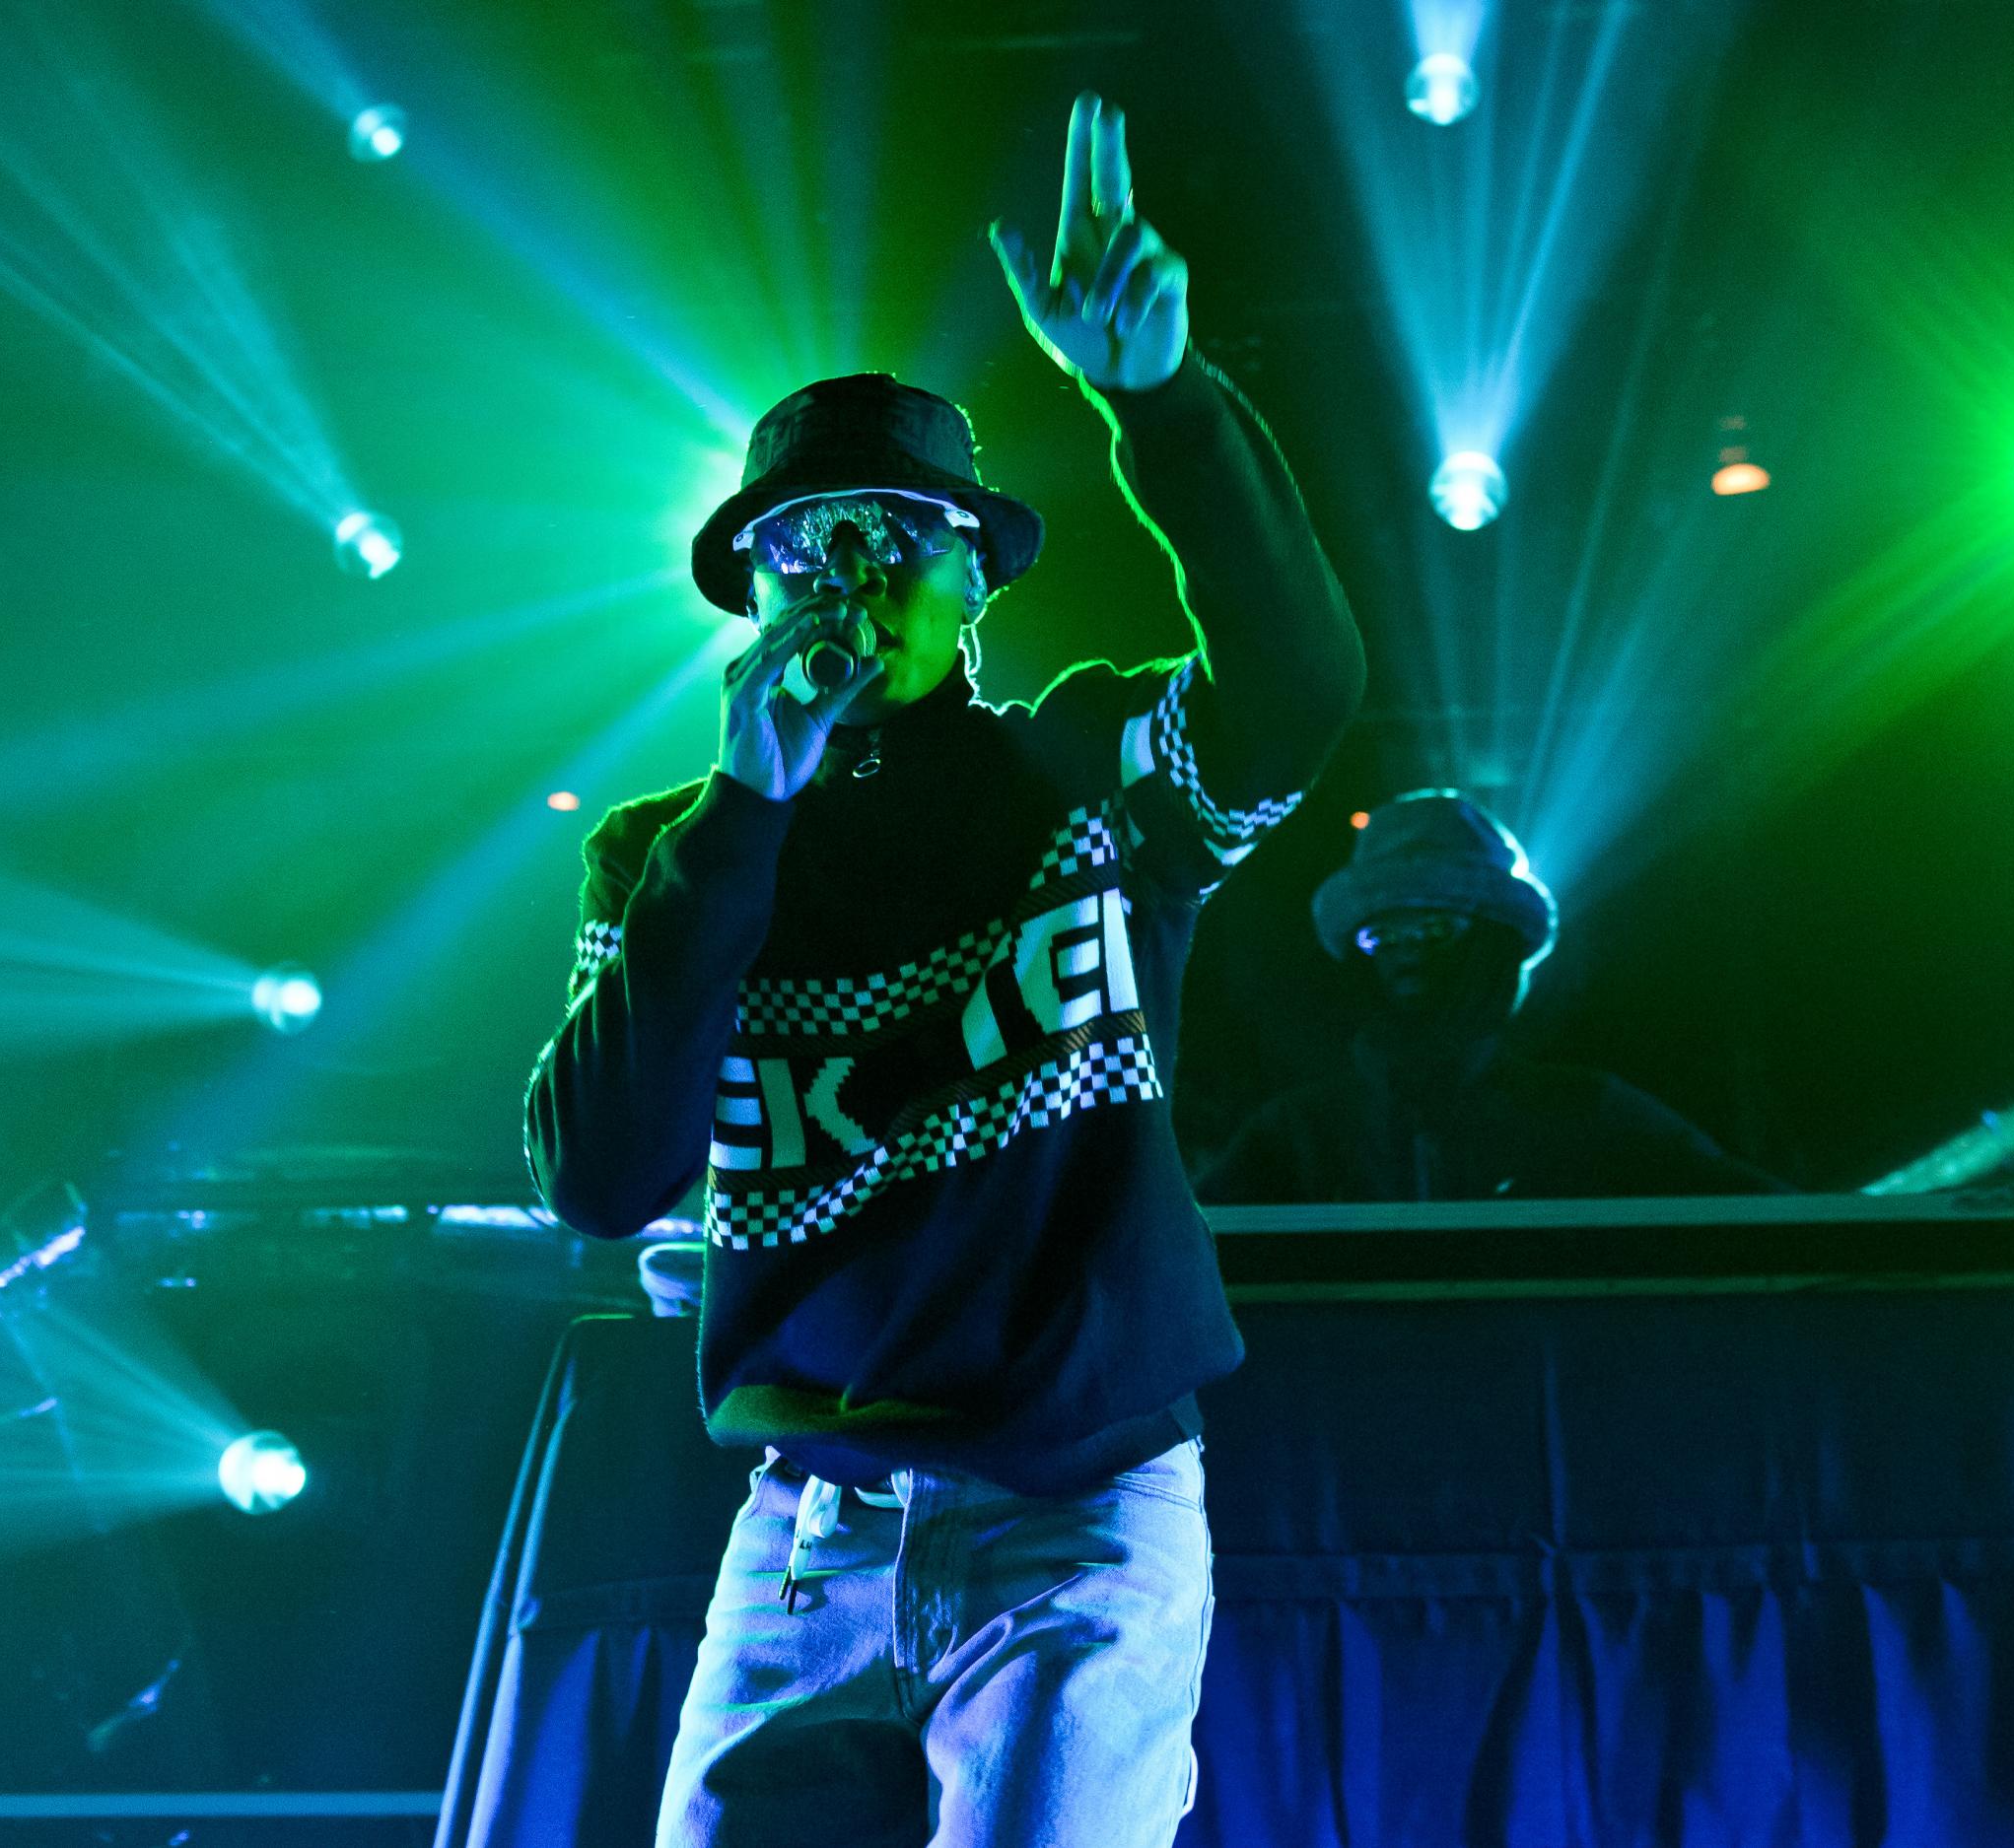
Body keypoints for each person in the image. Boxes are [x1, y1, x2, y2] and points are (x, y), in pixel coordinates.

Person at [523, 93, 1363, 1848]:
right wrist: (744, 822)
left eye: (899, 530)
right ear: (749, 586)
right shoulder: (668, 855)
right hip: (808, 1524)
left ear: (976, 571)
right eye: (804, 540)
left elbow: (1299, 683)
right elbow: (606, 1181)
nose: (850, 571)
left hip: (1079, 1507)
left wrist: (1164, 404)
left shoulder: (1083, 775)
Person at [1193, 788, 1782, 1202]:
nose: (1405, 950)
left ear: (1494, 952)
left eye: (1434, 927)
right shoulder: (1296, 1135)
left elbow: (1781, 1229)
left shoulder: (1587, 1114)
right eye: (1381, 932)